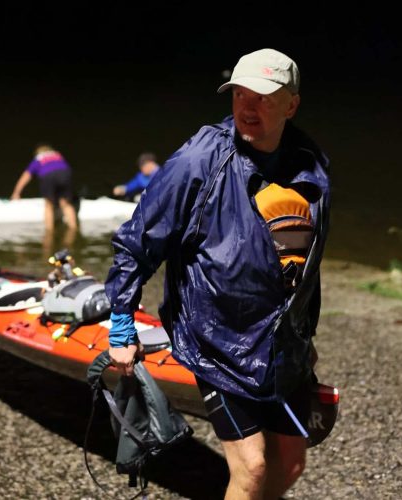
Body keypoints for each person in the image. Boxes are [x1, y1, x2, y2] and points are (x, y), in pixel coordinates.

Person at [104, 48, 331, 499]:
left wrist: (307, 337)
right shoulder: (200, 160)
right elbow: (138, 239)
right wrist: (122, 322)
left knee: (292, 460)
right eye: (239, 94)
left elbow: (306, 265)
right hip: (216, 341)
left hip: (281, 345)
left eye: (264, 97)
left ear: (292, 104)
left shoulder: (310, 163)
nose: (248, 107)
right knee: (252, 466)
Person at [11, 144, 78, 233]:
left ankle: (49, 232)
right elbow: (62, 168)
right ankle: (74, 229)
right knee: (65, 203)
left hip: (48, 175)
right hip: (65, 173)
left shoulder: (38, 159)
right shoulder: (57, 155)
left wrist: (16, 193)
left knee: (49, 205)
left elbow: (26, 176)